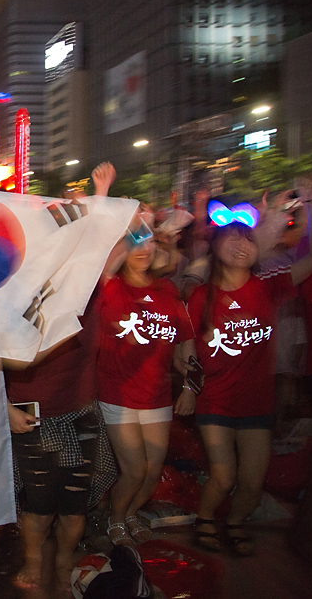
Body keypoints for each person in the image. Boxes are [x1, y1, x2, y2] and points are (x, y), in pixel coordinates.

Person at [2, 162, 118, 591]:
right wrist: (4, 406)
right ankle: (35, 558)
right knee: (38, 504)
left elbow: (127, 239)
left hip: (79, 407)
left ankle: (66, 555)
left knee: (74, 506)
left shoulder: (91, 280)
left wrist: (101, 197)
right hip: (32, 410)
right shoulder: (15, 283)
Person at [188, 215, 312, 555]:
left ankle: (234, 522)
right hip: (215, 400)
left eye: (247, 239)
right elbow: (186, 351)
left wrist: (311, 209)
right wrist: (187, 388)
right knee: (224, 476)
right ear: (214, 247)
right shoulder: (201, 296)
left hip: (258, 403)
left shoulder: (268, 286)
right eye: (231, 237)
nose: (240, 244)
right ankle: (204, 518)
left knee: (252, 483)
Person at [95, 215, 197, 546]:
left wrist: (190, 387)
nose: (143, 249)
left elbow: (186, 341)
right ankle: (115, 520)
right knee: (135, 470)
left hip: (156, 396)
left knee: (152, 472)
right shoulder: (109, 285)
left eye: (150, 243)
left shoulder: (166, 289)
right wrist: (142, 227)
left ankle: (127, 514)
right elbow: (108, 264)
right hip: (116, 394)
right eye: (136, 243)